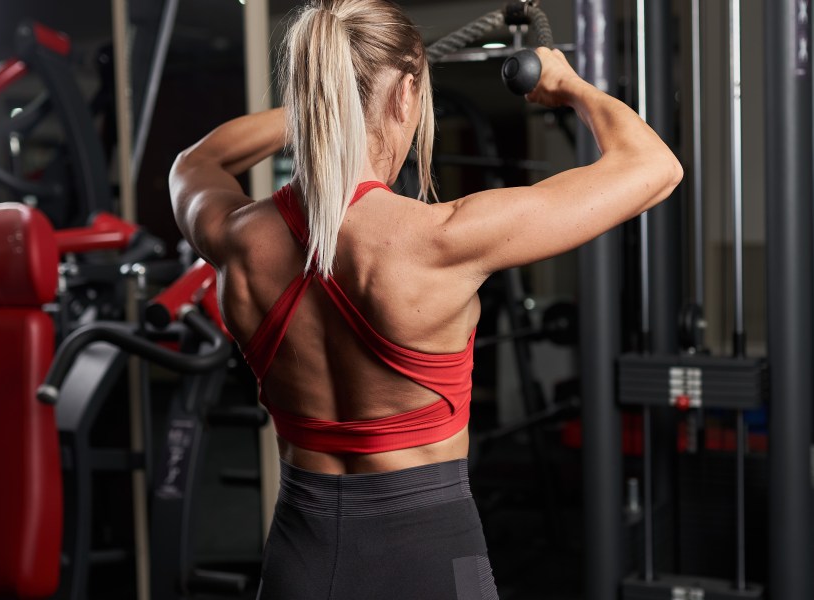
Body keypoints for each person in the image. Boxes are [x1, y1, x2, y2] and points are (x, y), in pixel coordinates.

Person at [169, 1, 682, 598]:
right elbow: (655, 166)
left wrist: (323, 102)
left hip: (300, 558)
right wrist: (566, 84)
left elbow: (198, 160)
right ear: (405, 95)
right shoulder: (443, 240)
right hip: (425, 555)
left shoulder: (237, 241)